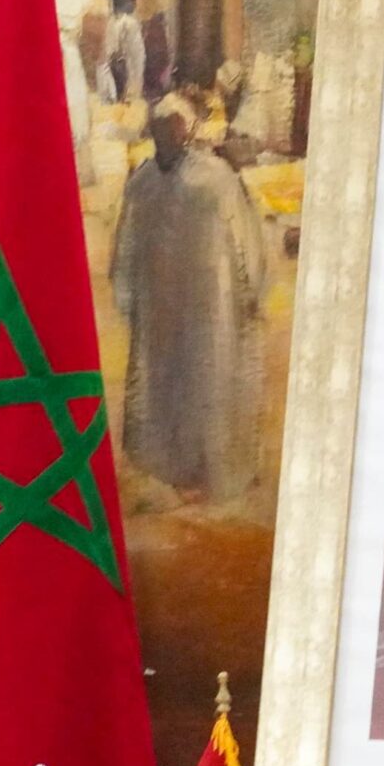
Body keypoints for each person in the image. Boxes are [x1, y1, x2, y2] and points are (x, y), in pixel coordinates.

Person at [110, 92, 269, 503]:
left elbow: (246, 239)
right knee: (166, 387)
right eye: (161, 130)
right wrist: (127, 294)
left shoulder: (215, 178)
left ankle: (209, 471)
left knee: (207, 382)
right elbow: (126, 246)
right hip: (160, 308)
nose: (168, 136)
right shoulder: (142, 183)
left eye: (174, 128)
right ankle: (172, 470)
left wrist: (251, 288)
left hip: (210, 305)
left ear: (186, 129)